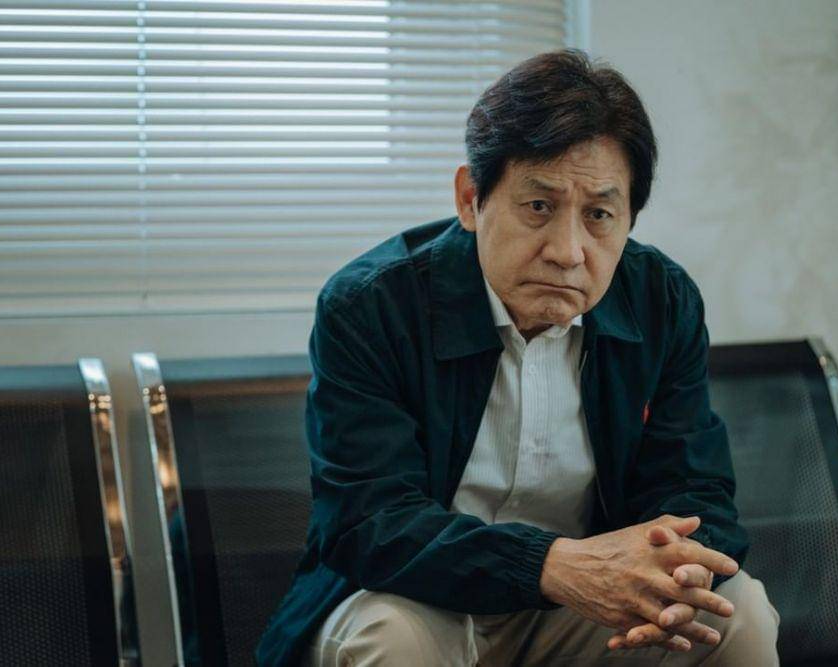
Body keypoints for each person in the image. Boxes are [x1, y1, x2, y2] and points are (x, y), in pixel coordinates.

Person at [255, 48, 780, 666]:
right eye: (539, 207)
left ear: (630, 220)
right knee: (392, 641)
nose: (568, 251)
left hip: (583, 608)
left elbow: (694, 485)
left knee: (737, 614)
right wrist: (550, 565)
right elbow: (369, 522)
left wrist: (682, 563)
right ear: (470, 199)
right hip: (413, 599)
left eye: (599, 215)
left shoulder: (662, 301)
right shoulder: (372, 307)